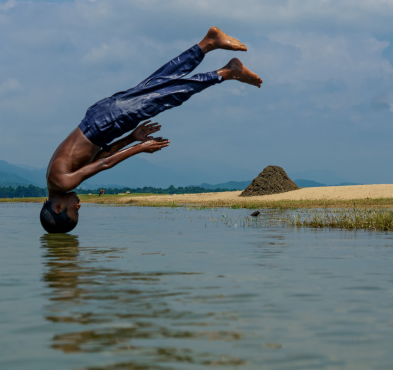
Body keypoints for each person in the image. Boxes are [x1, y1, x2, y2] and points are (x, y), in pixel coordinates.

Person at [41, 27, 263, 233]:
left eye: (75, 209)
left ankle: (227, 71)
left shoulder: (62, 183)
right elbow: (102, 154)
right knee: (158, 83)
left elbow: (104, 164)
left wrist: (140, 147)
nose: (79, 204)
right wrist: (131, 137)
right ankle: (208, 44)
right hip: (101, 120)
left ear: (58, 208)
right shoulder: (55, 179)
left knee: (168, 95)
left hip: (105, 123)